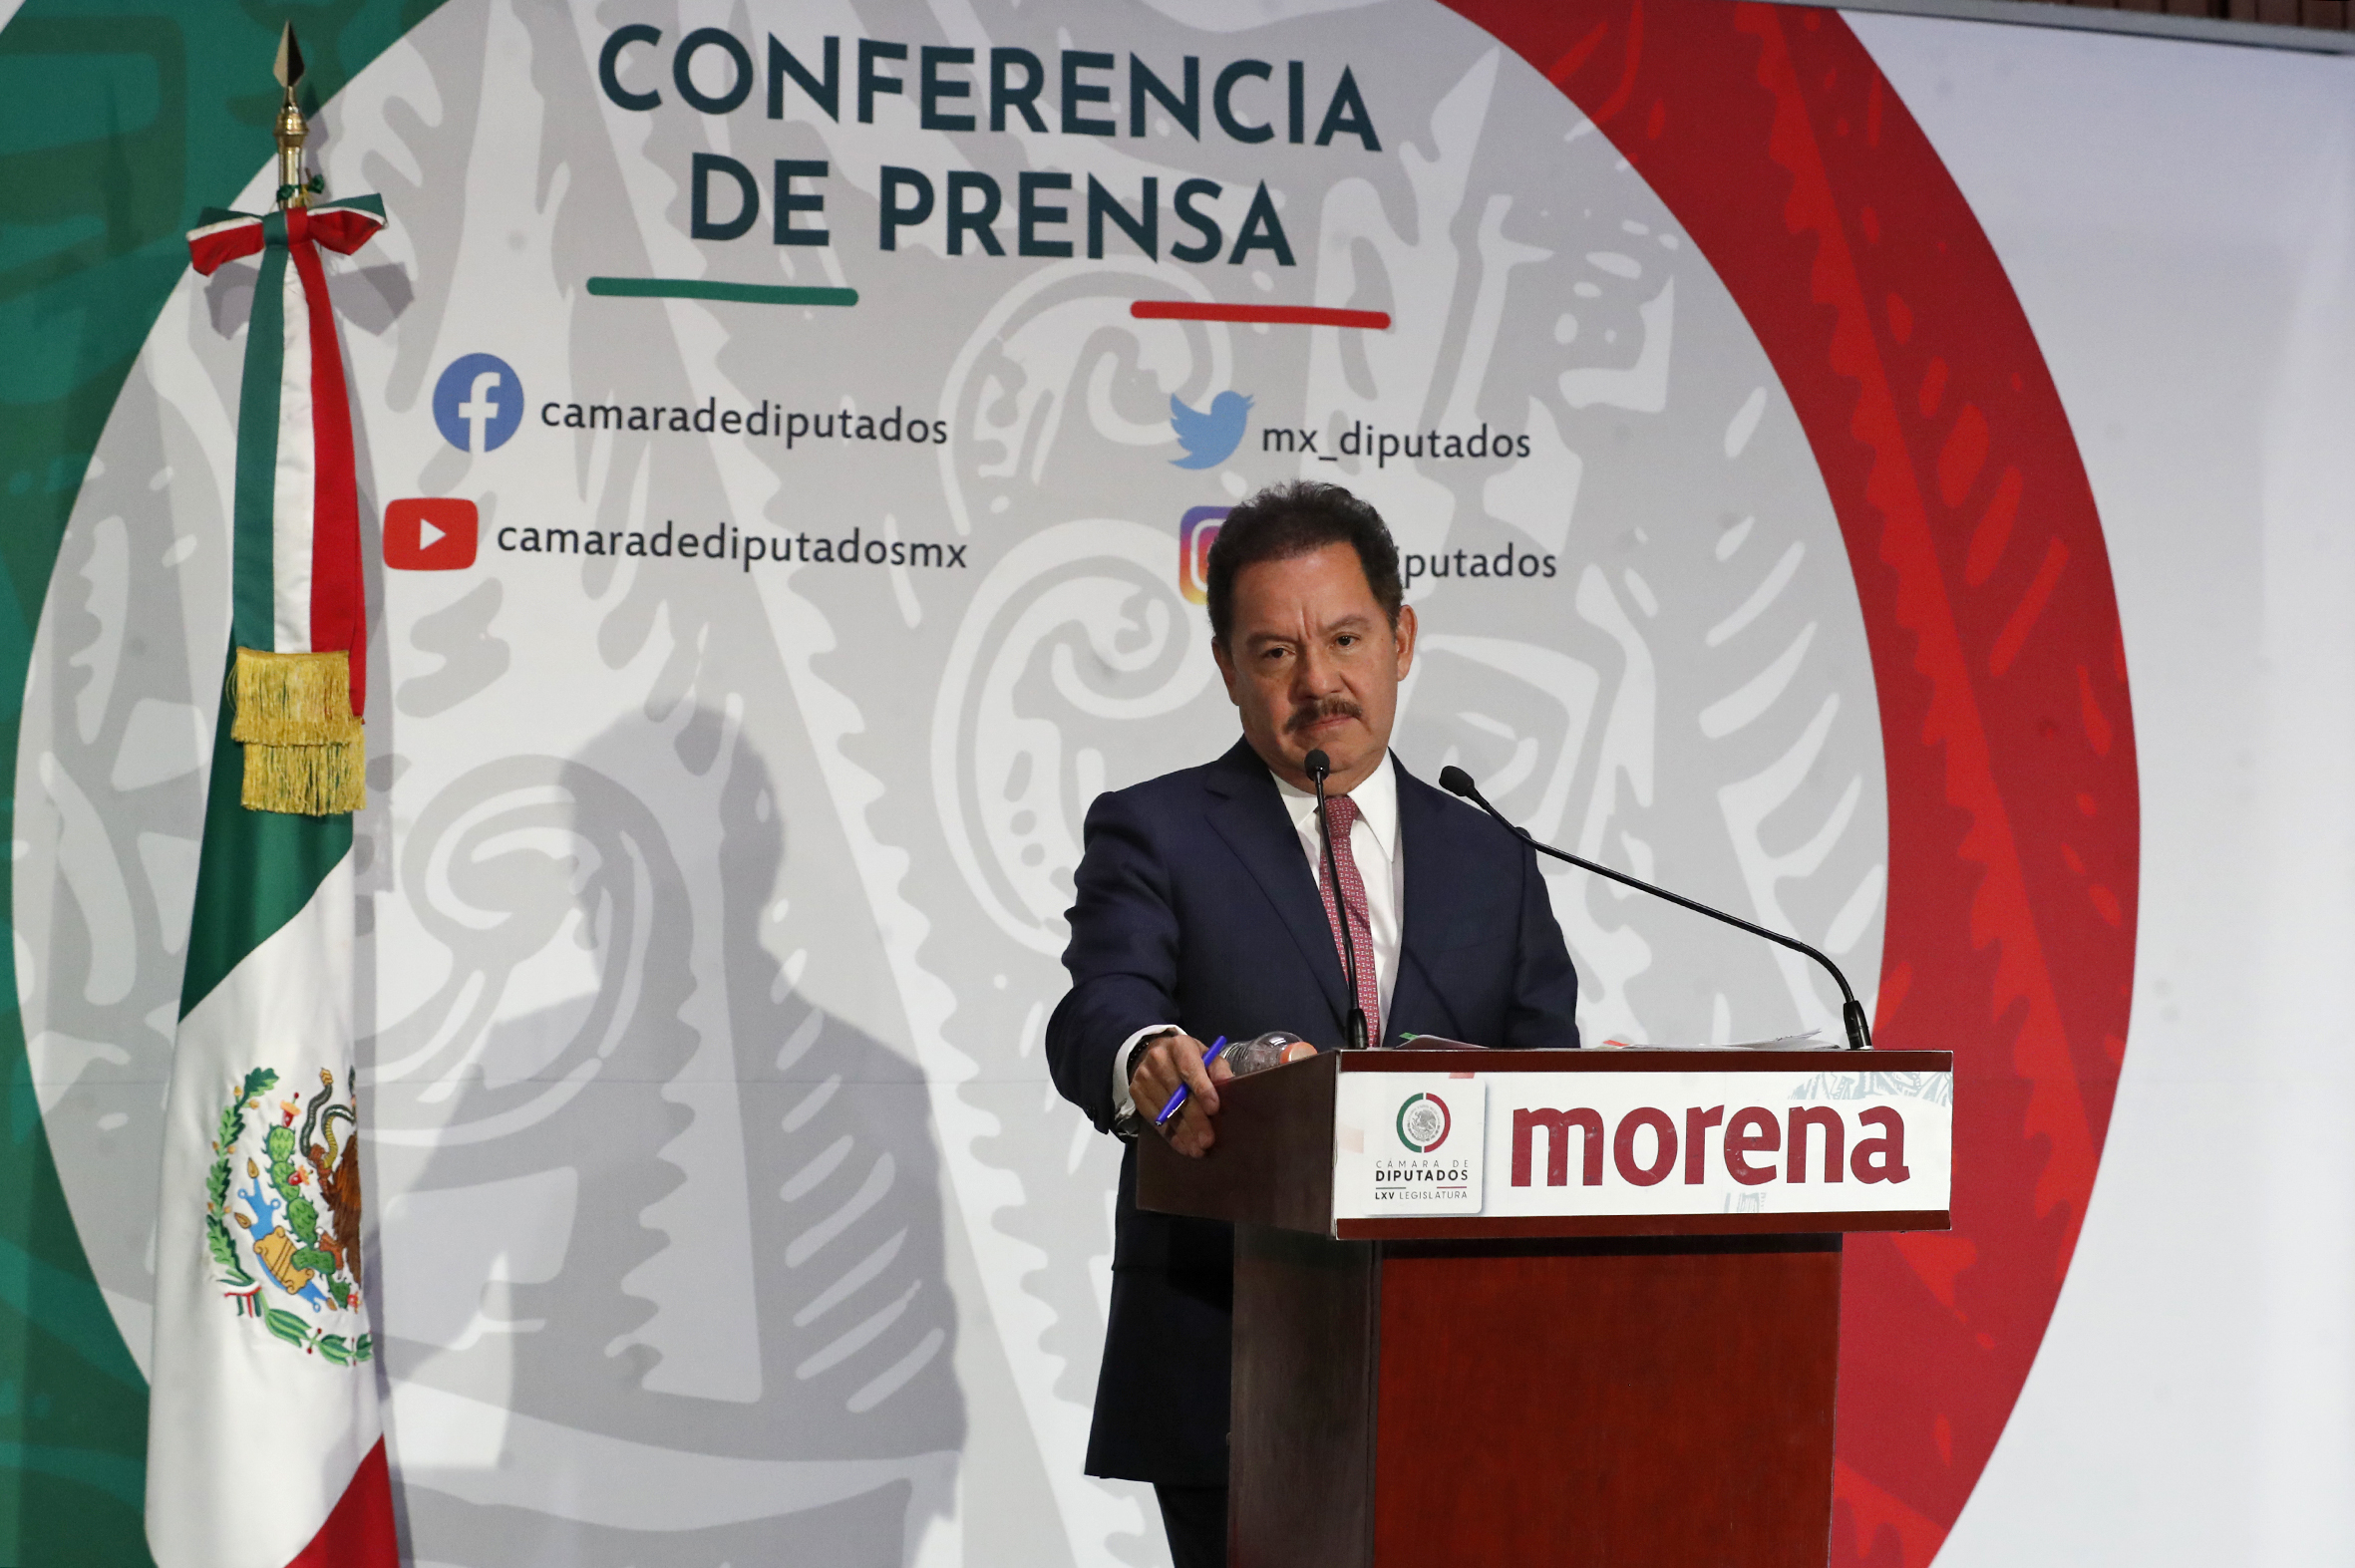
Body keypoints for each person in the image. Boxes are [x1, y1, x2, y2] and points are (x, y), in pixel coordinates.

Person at [1046, 480, 1580, 1567]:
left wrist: (1591, 1104)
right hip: (1234, 1364)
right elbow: (1099, 1003)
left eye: (1344, 638)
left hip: (1468, 1367)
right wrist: (1146, 1055)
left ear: (1401, 638)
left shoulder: (1494, 856)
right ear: (1227, 668)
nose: (1318, 682)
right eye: (1276, 652)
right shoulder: (1156, 830)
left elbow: (1545, 1071)